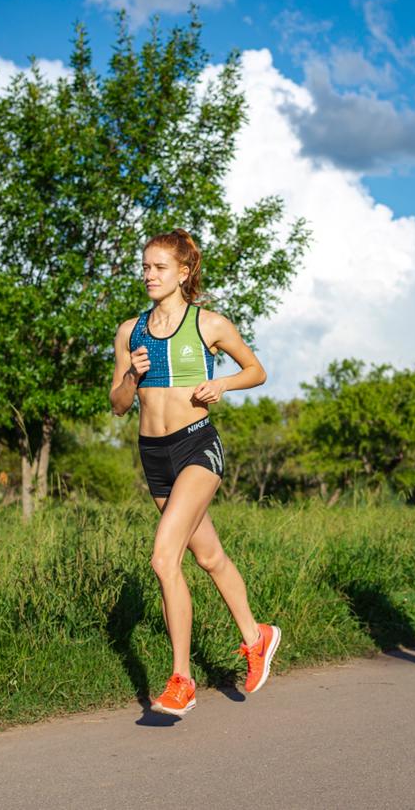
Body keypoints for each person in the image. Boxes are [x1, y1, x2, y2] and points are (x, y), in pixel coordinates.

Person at [110, 229, 281, 717]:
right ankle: (257, 635)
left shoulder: (209, 324)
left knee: (164, 560)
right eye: (144, 266)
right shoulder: (130, 331)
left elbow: (256, 371)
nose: (148, 275)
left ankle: (181, 679)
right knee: (208, 556)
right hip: (154, 455)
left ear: (183, 273)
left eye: (158, 267)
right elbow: (119, 405)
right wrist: (131, 377)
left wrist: (221, 383)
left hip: (197, 447)